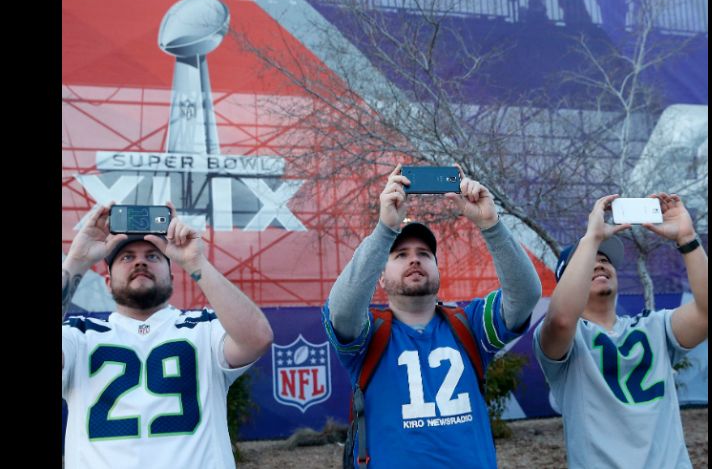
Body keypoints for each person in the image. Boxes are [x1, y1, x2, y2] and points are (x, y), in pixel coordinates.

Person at [322, 165, 542, 468]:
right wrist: (385, 228)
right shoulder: (368, 333)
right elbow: (342, 311)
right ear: (380, 278)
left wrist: (491, 224)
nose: (414, 258)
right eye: (400, 255)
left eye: (424, 254)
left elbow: (525, 296)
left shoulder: (470, 323)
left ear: (438, 270)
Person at [61, 203, 274, 469]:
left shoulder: (203, 329)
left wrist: (196, 262)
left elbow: (258, 338)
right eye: (126, 257)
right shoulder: (78, 335)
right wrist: (77, 260)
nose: (140, 261)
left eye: (153, 256)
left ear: (172, 277)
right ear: (107, 282)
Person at [534, 192, 707, 468]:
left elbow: (706, 312)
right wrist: (590, 238)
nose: (600, 262)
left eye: (605, 260)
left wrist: (687, 238)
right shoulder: (566, 338)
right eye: (590, 259)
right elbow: (562, 319)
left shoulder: (656, 327)